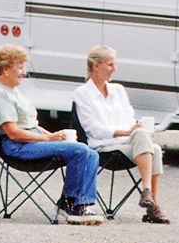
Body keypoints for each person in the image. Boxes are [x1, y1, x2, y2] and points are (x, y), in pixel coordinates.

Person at [0, 44, 103, 225]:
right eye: (20, 68)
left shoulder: (13, 90)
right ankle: (72, 204)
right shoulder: (0, 94)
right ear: (6, 69)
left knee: (91, 153)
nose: (24, 73)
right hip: (17, 147)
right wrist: (48, 138)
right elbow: (13, 132)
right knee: (79, 151)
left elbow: (32, 125)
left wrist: (54, 135)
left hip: (30, 140)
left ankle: (77, 203)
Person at [72, 45, 170, 223]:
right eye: (110, 65)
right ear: (95, 66)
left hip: (127, 142)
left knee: (147, 140)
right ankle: (151, 202)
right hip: (103, 145)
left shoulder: (118, 90)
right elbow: (91, 128)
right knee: (152, 147)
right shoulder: (83, 93)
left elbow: (129, 117)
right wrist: (123, 132)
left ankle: (148, 196)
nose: (114, 69)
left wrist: (134, 128)